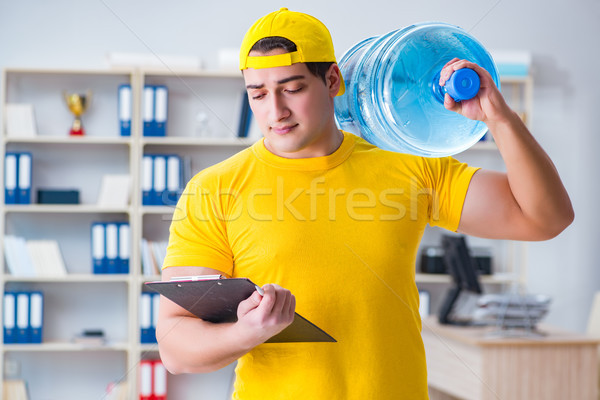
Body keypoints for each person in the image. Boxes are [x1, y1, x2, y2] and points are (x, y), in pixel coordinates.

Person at [157, 8, 573, 399]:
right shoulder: (213, 190)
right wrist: (245, 332)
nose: (275, 111)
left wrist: (500, 119)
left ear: (333, 80)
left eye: (292, 89)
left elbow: (545, 218)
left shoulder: (409, 164)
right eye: (258, 94)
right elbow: (176, 346)